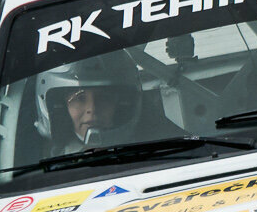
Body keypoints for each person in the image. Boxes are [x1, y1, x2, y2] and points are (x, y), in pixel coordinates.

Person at [32, 53, 173, 154]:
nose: (92, 109)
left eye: (104, 99)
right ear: (60, 107)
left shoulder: (165, 152)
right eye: (80, 99)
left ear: (122, 105)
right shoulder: (39, 175)